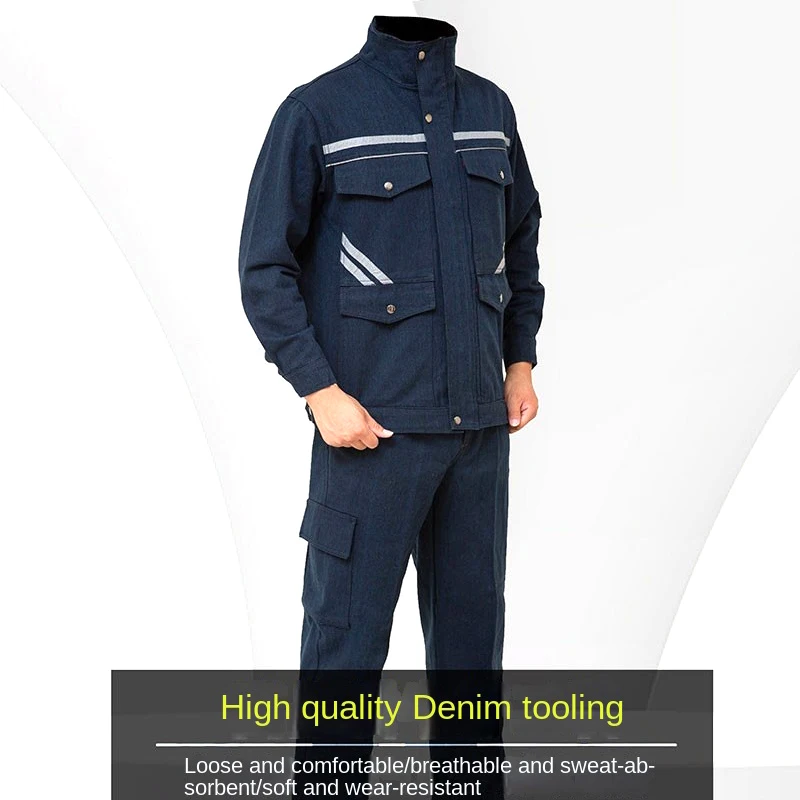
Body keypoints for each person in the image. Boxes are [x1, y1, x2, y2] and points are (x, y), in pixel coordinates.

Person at [238, 14, 544, 672]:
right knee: (342, 649)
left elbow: (520, 241)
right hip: (368, 436)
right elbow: (264, 269)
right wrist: (319, 391)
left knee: (473, 656)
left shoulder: (490, 109)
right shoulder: (318, 111)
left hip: (479, 435)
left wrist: (519, 361)